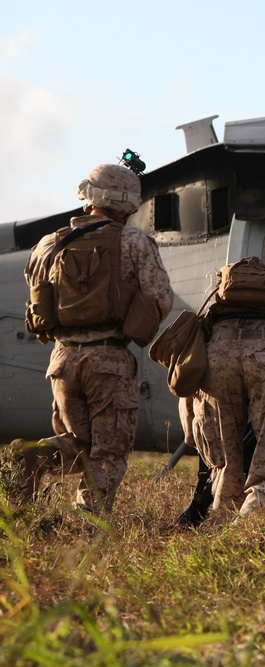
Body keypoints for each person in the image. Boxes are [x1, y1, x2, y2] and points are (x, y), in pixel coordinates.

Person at [16, 163, 173, 513]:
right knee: (109, 451)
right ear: (128, 204)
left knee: (79, 443)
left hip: (62, 360)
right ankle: (91, 521)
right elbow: (160, 296)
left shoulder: (47, 244)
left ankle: (37, 456)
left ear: (88, 197)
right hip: (109, 360)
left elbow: (35, 296)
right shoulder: (134, 241)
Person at [191, 258, 265, 521]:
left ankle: (222, 522)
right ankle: (253, 528)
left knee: (226, 461)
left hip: (217, 358)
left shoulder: (216, 307)